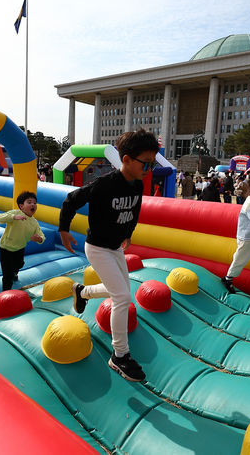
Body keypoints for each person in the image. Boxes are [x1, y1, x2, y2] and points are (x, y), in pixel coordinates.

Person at [59, 128, 159, 382]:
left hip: (115, 247)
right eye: (145, 164)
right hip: (97, 248)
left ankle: (82, 292)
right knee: (123, 297)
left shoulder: (137, 185)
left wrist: (129, 233)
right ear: (126, 159)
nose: (148, 170)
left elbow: (134, 212)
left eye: (152, 164)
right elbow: (71, 199)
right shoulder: (105, 184)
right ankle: (120, 356)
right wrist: (64, 230)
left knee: (121, 291)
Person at [0, 191, 45, 291]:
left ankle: (14, 272)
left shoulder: (34, 222)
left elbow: (41, 235)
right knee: (7, 274)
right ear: (21, 206)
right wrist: (13, 217)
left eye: (35, 203)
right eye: (29, 202)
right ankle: (5, 294)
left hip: (20, 247)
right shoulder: (15, 213)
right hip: (6, 247)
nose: (33, 205)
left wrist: (39, 239)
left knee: (19, 264)